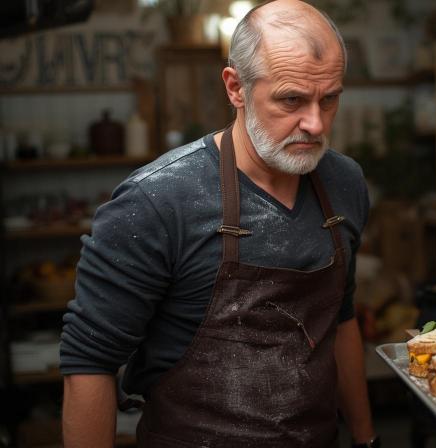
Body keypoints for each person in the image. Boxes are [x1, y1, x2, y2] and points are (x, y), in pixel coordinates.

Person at [60, 1, 378, 446]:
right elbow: (90, 363)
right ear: (236, 87)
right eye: (291, 99)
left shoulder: (344, 182)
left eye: (329, 99)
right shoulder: (158, 200)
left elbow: (340, 321)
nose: (315, 123)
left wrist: (365, 439)